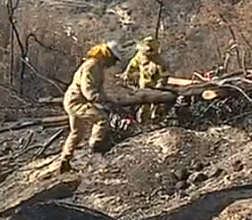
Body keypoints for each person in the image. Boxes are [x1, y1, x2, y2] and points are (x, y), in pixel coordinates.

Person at [58, 41, 123, 174]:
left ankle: (65, 161)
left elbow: (99, 89)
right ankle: (96, 147)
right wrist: (99, 100)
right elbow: (88, 89)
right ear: (107, 56)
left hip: (73, 100)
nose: (113, 64)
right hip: (76, 102)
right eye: (114, 60)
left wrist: (109, 100)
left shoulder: (97, 67)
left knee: (77, 133)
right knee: (102, 119)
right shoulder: (92, 66)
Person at [120, 36, 170, 126]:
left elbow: (164, 77)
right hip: (143, 86)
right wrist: (126, 74)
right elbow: (132, 65)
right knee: (143, 108)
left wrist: (160, 86)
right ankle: (143, 124)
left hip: (155, 89)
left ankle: (155, 123)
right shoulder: (140, 56)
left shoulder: (160, 62)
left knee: (155, 109)